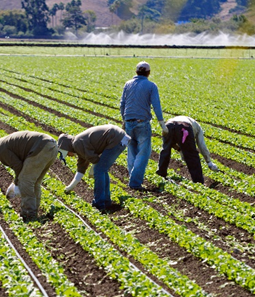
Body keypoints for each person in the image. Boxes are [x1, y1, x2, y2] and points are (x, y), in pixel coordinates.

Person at [0, 131, 58, 221]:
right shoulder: (2, 144)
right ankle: (33, 211)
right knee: (34, 182)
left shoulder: (0, 149)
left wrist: (17, 182)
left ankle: (28, 214)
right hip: (51, 146)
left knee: (25, 182)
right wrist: (16, 181)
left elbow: (18, 166)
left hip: (41, 148)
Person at [58, 125, 130, 211]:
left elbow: (95, 159)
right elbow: (81, 169)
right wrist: (70, 187)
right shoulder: (78, 146)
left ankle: (99, 203)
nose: (69, 156)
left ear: (67, 148)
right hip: (118, 137)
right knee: (102, 170)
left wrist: (93, 169)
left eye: (67, 154)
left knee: (99, 170)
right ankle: (106, 201)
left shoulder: (77, 143)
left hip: (115, 138)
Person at [120, 61, 168, 190]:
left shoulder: (128, 84)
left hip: (129, 122)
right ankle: (135, 182)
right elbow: (156, 105)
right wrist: (162, 124)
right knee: (144, 152)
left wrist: (124, 121)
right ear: (148, 73)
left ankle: (132, 178)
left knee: (131, 151)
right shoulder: (151, 85)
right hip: (142, 123)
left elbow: (122, 104)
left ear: (136, 72)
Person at [156, 116, 218, 184]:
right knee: (192, 155)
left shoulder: (180, 120)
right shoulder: (198, 128)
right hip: (184, 127)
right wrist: (209, 161)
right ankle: (198, 181)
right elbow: (201, 145)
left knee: (166, 150)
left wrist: (180, 150)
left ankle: (161, 174)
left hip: (169, 125)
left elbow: (172, 143)